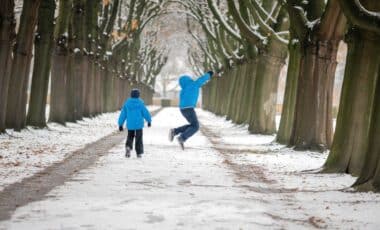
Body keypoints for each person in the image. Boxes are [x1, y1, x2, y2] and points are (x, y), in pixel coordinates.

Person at [169, 71, 214, 150]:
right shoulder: (193, 84)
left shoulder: (183, 89)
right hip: (189, 108)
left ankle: (175, 131)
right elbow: (201, 80)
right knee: (195, 127)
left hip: (183, 109)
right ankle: (182, 137)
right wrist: (209, 74)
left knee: (192, 125)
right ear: (189, 79)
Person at [118, 89, 152, 158]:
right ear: (138, 95)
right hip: (139, 124)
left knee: (130, 136)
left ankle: (128, 147)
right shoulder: (140, 103)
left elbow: (123, 114)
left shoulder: (127, 103)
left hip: (130, 124)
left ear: (131, 95)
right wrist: (149, 121)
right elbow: (145, 113)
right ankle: (139, 153)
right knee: (139, 138)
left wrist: (120, 124)